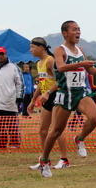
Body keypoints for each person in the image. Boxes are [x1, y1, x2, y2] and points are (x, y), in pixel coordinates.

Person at [40, 20, 96, 177]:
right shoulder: (60, 50)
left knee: (94, 118)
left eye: (79, 29)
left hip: (80, 93)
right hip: (65, 93)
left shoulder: (80, 50)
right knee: (56, 131)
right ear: (65, 33)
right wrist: (81, 63)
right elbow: (60, 67)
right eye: (74, 29)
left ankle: (79, 139)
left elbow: (90, 70)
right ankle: (44, 160)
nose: (78, 32)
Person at [27, 37, 70, 170]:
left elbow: (61, 81)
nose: (31, 50)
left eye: (33, 47)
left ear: (42, 47)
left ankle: (64, 160)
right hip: (47, 98)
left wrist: (48, 93)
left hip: (56, 96)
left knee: (57, 129)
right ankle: (46, 160)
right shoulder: (39, 63)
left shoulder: (50, 60)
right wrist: (33, 100)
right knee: (43, 130)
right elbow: (41, 83)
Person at [0, 46, 24, 149]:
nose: (1, 56)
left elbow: (20, 83)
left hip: (10, 102)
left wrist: (19, 97)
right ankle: (0, 144)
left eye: (2, 54)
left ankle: (14, 143)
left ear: (6, 54)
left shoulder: (14, 67)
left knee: (12, 125)